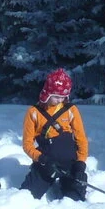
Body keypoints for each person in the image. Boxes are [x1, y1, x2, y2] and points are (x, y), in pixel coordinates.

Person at [20, 69, 88, 201]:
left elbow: (81, 139)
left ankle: (66, 183)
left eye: (63, 96)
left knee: (74, 199)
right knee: (26, 197)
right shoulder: (33, 112)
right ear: (47, 93)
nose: (60, 100)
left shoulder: (71, 110)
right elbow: (27, 144)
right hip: (46, 164)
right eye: (56, 96)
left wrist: (80, 164)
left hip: (70, 164)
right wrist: (42, 159)